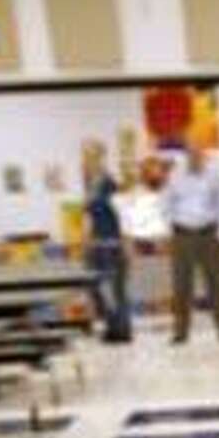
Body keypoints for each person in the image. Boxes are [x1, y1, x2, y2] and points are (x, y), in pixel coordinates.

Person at [162, 137, 219, 342]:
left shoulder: (215, 175)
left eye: (198, 154)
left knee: (216, 285)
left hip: (209, 234)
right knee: (181, 285)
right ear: (186, 156)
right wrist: (169, 231)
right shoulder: (175, 176)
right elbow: (165, 204)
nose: (194, 158)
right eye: (190, 154)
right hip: (182, 235)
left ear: (203, 155)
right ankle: (180, 332)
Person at [81, 138, 132, 343]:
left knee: (116, 289)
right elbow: (88, 217)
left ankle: (123, 330)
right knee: (101, 290)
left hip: (112, 244)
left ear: (100, 157)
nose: (85, 159)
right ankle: (112, 327)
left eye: (90, 155)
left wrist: (127, 245)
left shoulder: (110, 184)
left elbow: (124, 215)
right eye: (84, 155)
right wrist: (86, 242)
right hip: (96, 245)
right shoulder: (89, 185)